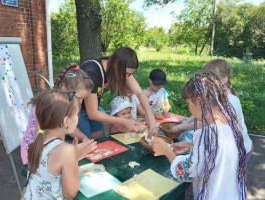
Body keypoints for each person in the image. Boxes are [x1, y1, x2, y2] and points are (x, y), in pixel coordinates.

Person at [152, 72, 247, 200]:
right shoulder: (231, 126)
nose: (189, 109)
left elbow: (189, 172)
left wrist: (167, 151)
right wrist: (192, 146)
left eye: (189, 104)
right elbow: (218, 153)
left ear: (199, 101)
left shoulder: (207, 135)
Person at [173, 59, 253, 162]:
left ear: (224, 79)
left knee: (236, 174)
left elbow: (206, 122)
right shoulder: (214, 96)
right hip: (228, 149)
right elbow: (202, 112)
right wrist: (185, 122)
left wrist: (181, 127)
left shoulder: (229, 101)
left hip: (238, 150)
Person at [24, 89, 97, 199]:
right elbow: (70, 194)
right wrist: (74, 160)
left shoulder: (37, 141)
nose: (77, 118)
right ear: (66, 121)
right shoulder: (66, 151)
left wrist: (73, 158)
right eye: (76, 115)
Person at [21, 63, 93, 164]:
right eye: (79, 98)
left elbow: (68, 127)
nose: (80, 102)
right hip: (34, 151)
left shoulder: (64, 103)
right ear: (64, 89)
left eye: (83, 99)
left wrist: (83, 137)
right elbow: (40, 135)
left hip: (49, 149)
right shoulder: (49, 105)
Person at [78, 47, 158, 139]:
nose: (126, 78)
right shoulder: (92, 72)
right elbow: (92, 113)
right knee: (85, 143)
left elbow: (139, 93)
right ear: (115, 64)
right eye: (125, 73)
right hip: (76, 111)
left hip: (93, 107)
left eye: (129, 74)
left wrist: (150, 117)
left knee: (100, 140)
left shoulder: (117, 68)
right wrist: (124, 121)